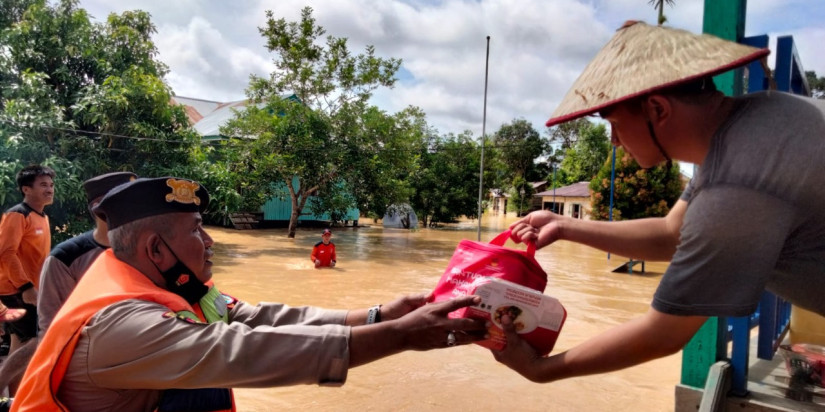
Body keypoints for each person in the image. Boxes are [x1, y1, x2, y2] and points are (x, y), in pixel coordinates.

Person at [494, 21, 825, 384]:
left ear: (657, 109)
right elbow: (671, 233)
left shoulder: (736, 189)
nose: (615, 141)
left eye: (615, 124)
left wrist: (540, 369)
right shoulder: (758, 117)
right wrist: (566, 226)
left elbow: (663, 333)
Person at [12, 177, 486, 411]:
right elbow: (247, 351)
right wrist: (401, 336)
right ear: (157, 248)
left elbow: (260, 319)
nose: (212, 241)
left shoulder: (169, 284)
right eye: (199, 231)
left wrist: (381, 314)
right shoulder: (123, 325)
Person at [37, 171, 137, 333]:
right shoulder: (66, 258)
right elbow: (52, 325)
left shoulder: (151, 249)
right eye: (126, 201)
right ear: (98, 207)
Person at [0, 164, 55, 395]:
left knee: (19, 344)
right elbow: (6, 253)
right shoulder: (17, 214)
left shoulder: (41, 216)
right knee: (37, 339)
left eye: (51, 185)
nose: (50, 189)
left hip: (28, 289)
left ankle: (13, 399)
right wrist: (25, 287)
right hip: (15, 289)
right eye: (43, 185)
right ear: (26, 189)